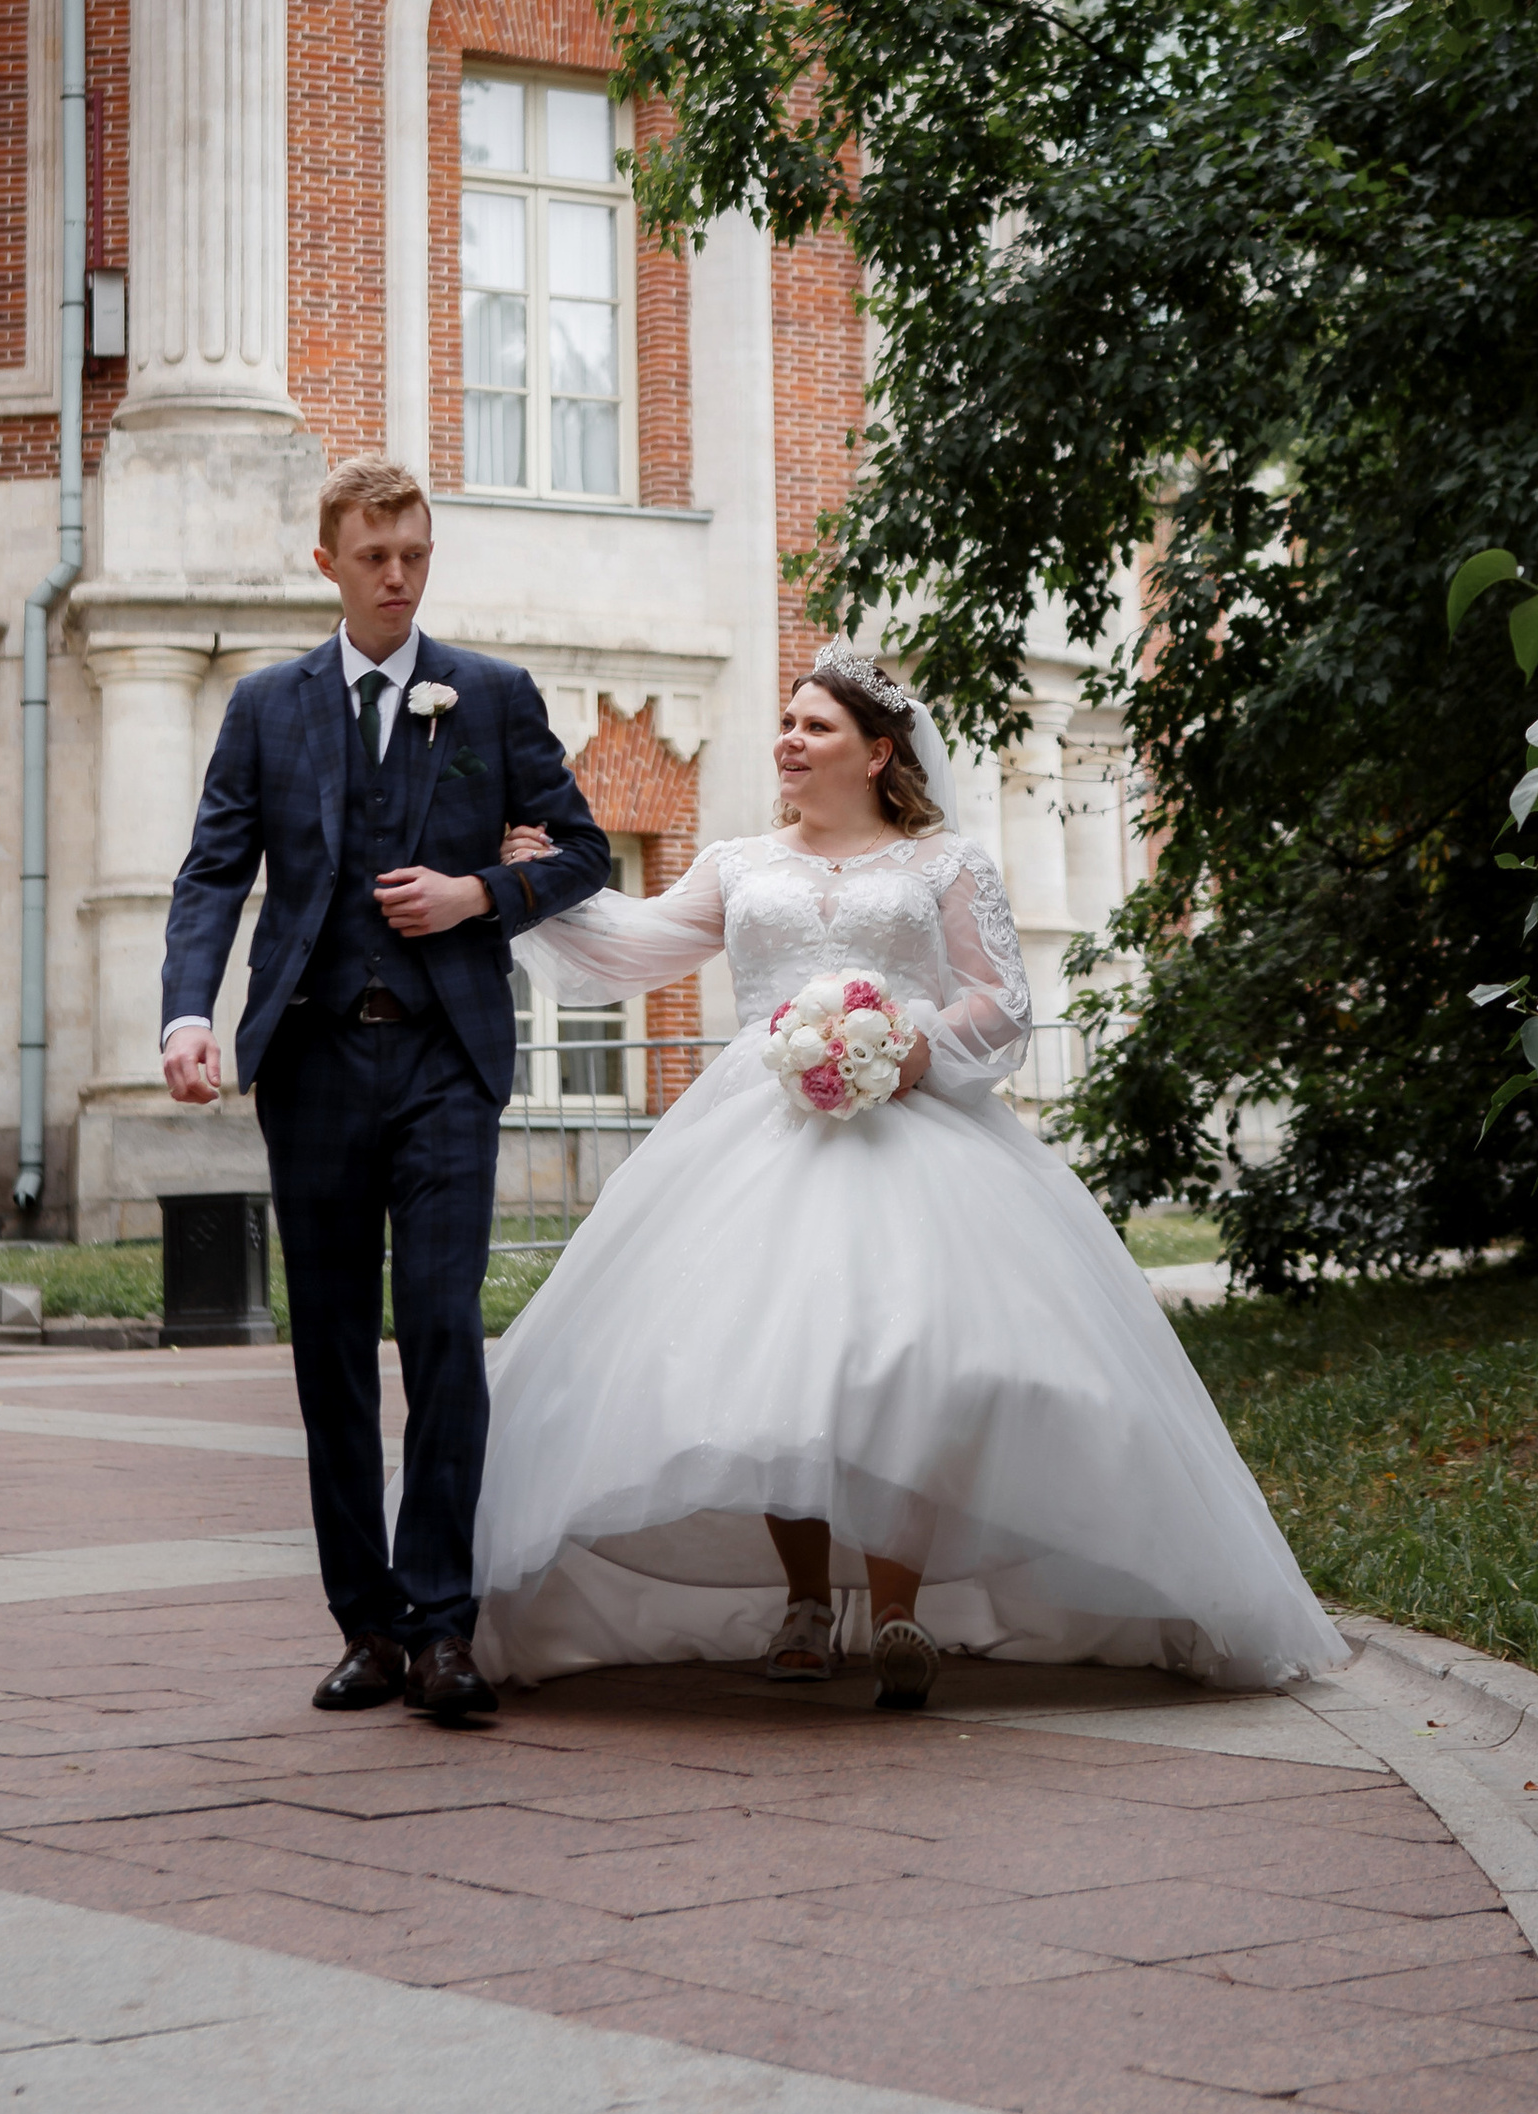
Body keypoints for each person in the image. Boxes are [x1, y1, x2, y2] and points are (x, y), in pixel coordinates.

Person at [474, 645, 1344, 1707]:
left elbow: (999, 1002)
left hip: (912, 1130)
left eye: (815, 727)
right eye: (786, 724)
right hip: (756, 1137)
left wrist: (904, 1041)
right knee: (769, 1366)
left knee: (911, 1365)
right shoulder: (739, 863)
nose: (789, 741)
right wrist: (535, 884)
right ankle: (803, 1606)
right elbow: (633, 944)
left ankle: (896, 1613)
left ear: (878, 753)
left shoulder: (946, 864)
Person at [158, 456, 608, 1726]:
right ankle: (367, 1625)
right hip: (306, 1057)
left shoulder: (493, 699)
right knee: (331, 1354)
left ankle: (443, 1622)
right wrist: (191, 1012)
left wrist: (478, 896)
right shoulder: (266, 707)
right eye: (374, 557)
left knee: (444, 1329)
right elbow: (213, 875)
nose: (399, 576)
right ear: (328, 563)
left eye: (415, 553)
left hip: (442, 1058)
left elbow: (578, 849)